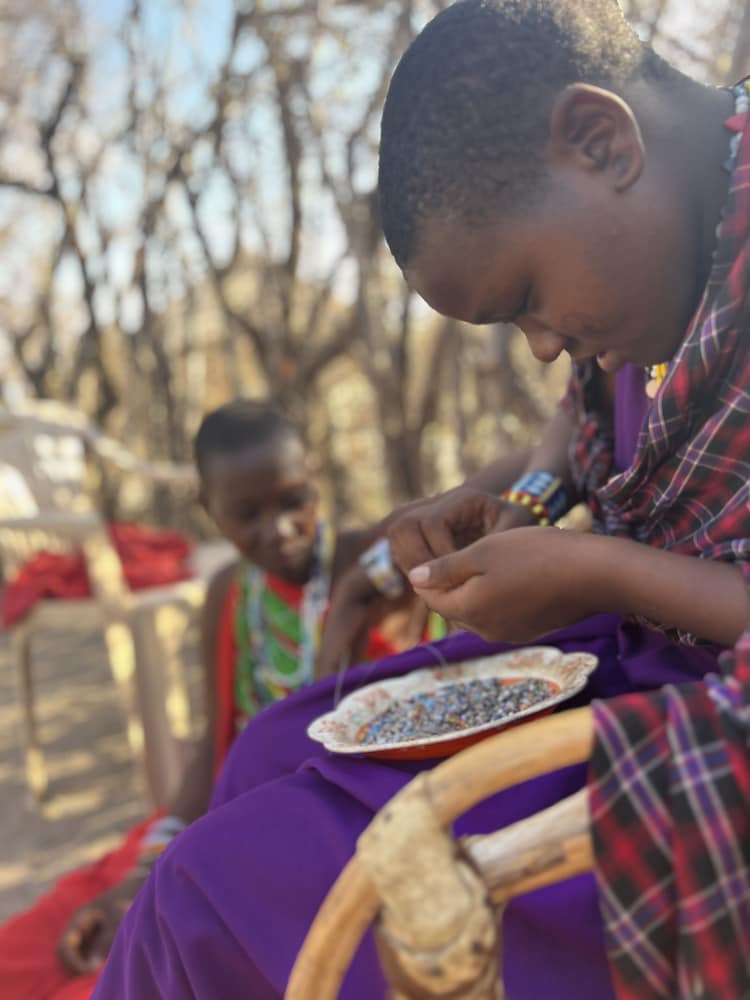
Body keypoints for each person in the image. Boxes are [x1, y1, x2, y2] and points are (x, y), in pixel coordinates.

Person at [91, 2, 750, 997]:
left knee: (206, 896)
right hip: (642, 652)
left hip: (708, 734)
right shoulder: (658, 260)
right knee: (272, 745)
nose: (538, 345)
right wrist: (518, 503)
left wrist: (594, 567)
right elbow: (578, 430)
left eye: (527, 296)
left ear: (602, 140)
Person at [0, 399, 423, 1000]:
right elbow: (215, 741)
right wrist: (145, 869)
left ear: (314, 474)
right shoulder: (229, 594)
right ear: (209, 511)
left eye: (292, 499)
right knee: (51, 953)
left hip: (354, 819)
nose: (277, 528)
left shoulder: (372, 564)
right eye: (246, 514)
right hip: (241, 805)